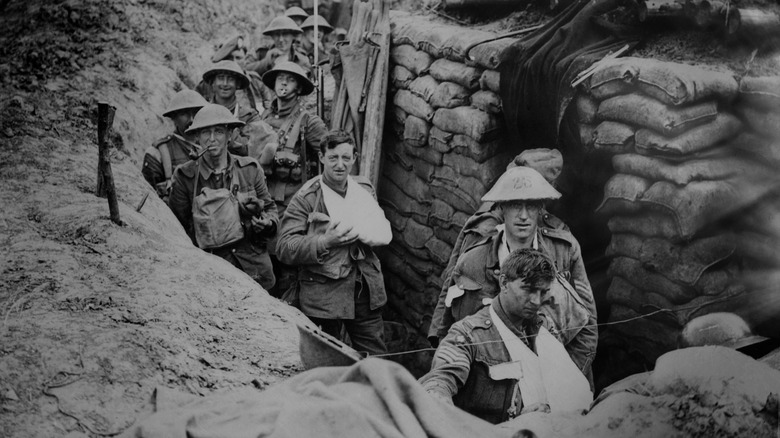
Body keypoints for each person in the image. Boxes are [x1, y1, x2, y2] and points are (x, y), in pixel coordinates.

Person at [428, 164, 598, 385]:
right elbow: (448, 325)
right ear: (502, 208)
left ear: (541, 209)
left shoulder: (563, 250)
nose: (524, 216)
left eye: (532, 205)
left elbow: (588, 323)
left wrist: (568, 378)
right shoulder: (474, 260)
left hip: (554, 373)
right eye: (516, 205)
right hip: (492, 379)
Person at [420, 249, 593, 423]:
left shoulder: (543, 328)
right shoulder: (468, 335)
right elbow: (440, 380)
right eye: (528, 289)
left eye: (543, 292)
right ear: (504, 283)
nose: (536, 300)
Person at [275, 130, 391, 355]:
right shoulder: (307, 198)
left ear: (354, 158)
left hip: (364, 291)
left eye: (346, 158)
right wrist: (324, 241)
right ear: (321, 158)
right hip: (324, 297)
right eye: (333, 158)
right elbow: (284, 247)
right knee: (327, 359)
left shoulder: (363, 191)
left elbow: (377, 231)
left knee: (378, 360)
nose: (340, 165)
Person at [169, 104, 278, 290]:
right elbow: (178, 230)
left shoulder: (249, 169)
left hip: (253, 267)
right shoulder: (185, 177)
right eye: (205, 133)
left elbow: (270, 209)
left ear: (229, 135)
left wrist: (266, 223)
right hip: (210, 270)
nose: (212, 139)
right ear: (197, 136)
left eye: (218, 131)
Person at [259, 61, 328, 216]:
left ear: (299, 88)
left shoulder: (309, 121)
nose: (283, 82)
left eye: (290, 80)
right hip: (264, 197)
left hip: (293, 202)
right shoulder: (265, 116)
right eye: (280, 78)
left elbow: (329, 155)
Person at [201, 60, 279, 161]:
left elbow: (255, 147)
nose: (225, 84)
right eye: (220, 78)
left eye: (230, 79)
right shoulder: (202, 114)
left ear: (237, 84)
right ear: (213, 82)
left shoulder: (249, 116)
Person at [142, 89, 208, 203]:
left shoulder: (213, 147)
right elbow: (150, 202)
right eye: (184, 114)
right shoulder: (158, 153)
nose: (192, 119)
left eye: (196, 113)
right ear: (173, 118)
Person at [246, 16, 311, 80]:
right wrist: (266, 61)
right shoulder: (261, 52)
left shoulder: (302, 60)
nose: (281, 39)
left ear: (293, 36)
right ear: (272, 36)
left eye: (285, 34)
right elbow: (244, 70)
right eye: (277, 34)